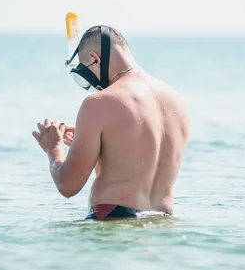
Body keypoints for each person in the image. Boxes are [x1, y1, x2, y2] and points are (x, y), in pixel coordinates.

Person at [32, 25, 189, 219]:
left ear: (95, 59)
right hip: (162, 221)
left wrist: (53, 148)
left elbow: (68, 185)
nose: (94, 87)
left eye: (85, 78)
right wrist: (95, 150)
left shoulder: (98, 103)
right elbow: (134, 167)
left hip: (113, 217)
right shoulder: (177, 101)